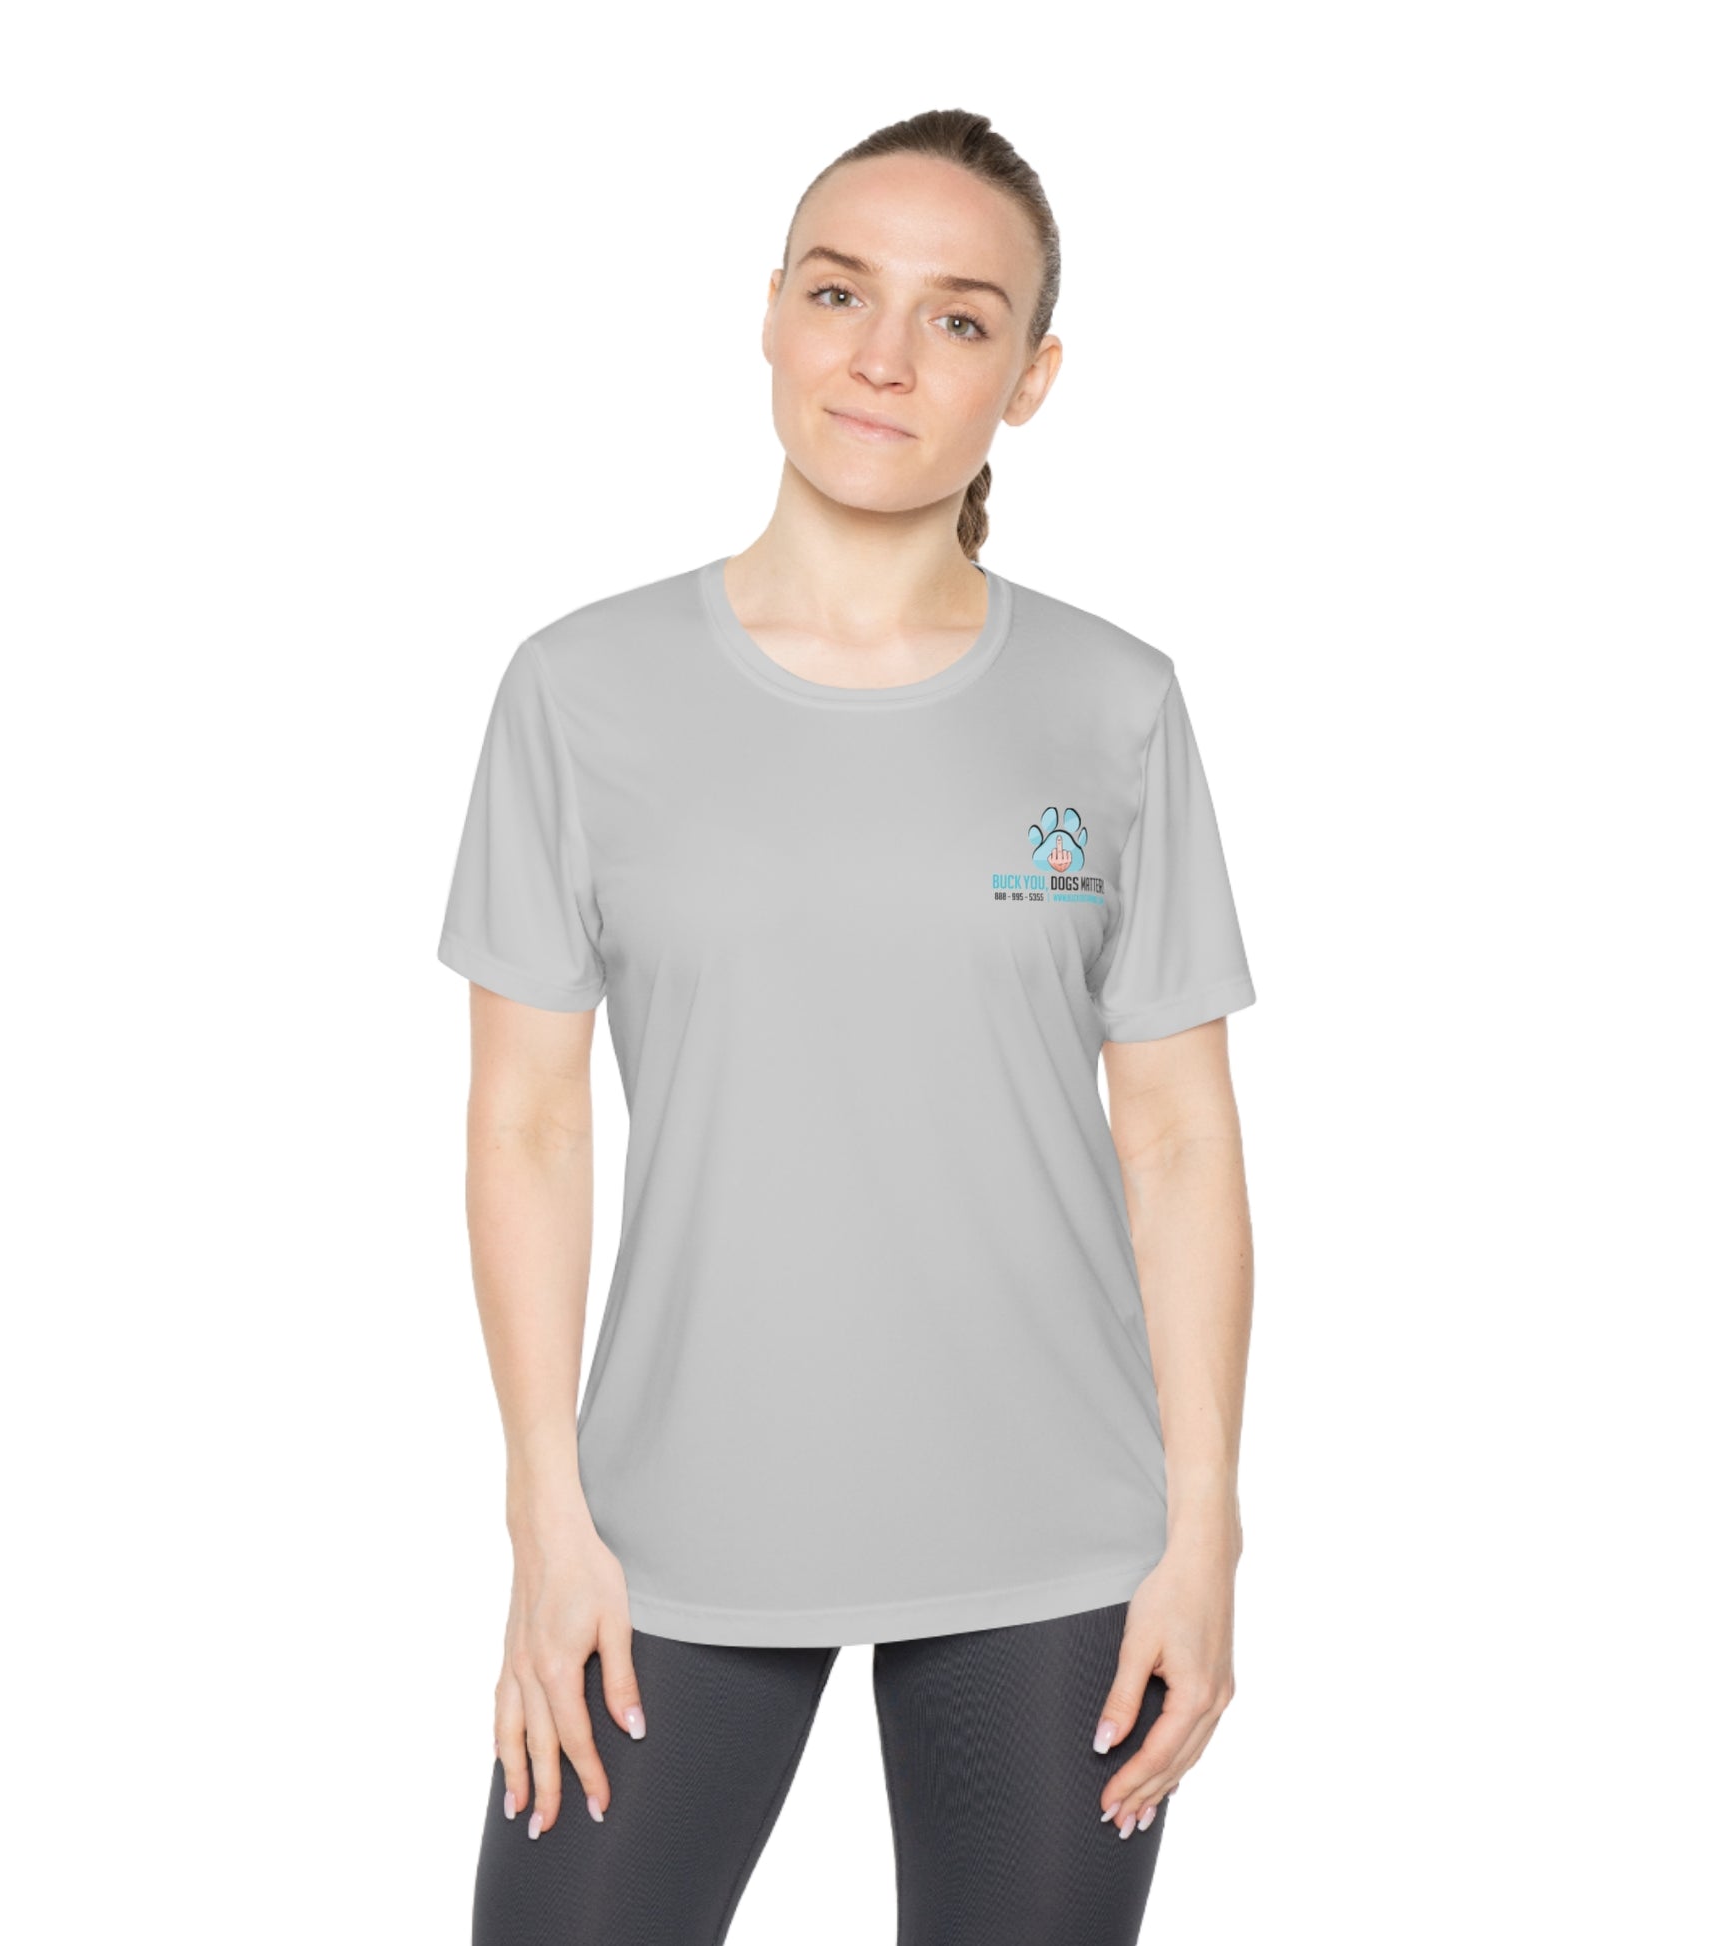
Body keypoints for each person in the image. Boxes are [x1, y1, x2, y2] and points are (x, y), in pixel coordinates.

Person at [438, 107, 1258, 1946]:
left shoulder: (1112, 705)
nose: (883, 356)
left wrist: (1203, 1526)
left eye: (957, 318)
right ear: (770, 314)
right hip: (666, 1534)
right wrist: (545, 1517)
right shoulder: (579, 692)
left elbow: (1178, 1135)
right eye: (838, 293)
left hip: (1057, 1542)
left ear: (1028, 380)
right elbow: (527, 1125)